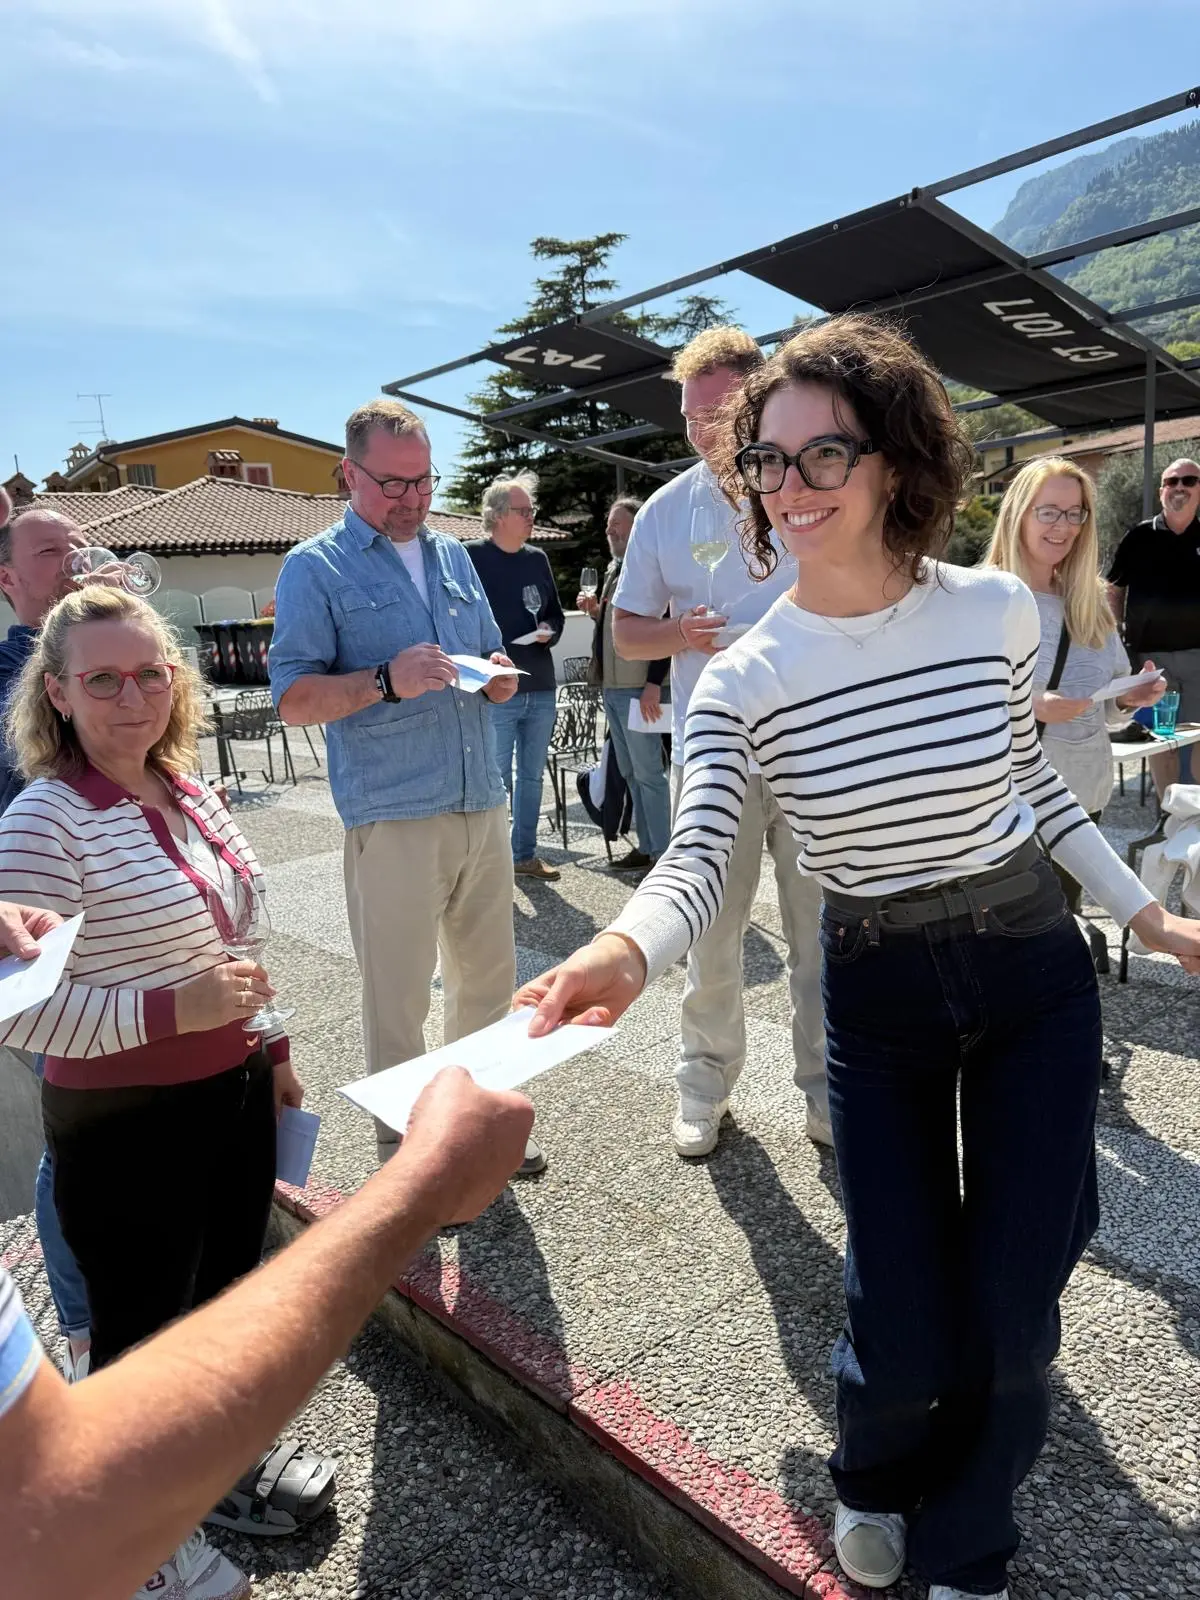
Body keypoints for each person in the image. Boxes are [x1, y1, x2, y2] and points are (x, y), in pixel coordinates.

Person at [516, 316, 1200, 1600]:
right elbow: (700, 851)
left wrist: (1147, 918)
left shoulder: (1000, 611)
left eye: (822, 453)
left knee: (1013, 1294)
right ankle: (876, 1468)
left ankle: (970, 1538)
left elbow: (1032, 791)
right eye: (768, 463)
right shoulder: (746, 676)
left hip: (1029, 968)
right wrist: (621, 949)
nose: (791, 486)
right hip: (878, 986)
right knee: (896, 1299)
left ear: (895, 459)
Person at [0, 585, 340, 1598]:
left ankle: (212, 1467)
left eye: (150, 672)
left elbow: (231, 941)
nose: (131, 696)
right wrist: (168, 1013)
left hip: (228, 1093)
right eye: (102, 678)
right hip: (123, 1123)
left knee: (221, 1304)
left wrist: (268, 1043)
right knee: (143, 1331)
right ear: (57, 692)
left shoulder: (186, 787)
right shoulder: (43, 821)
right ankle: (133, 1539)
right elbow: (19, 1016)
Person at [0, 994, 534, 1600]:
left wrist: (270, 1044)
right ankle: (117, 1431)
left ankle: (182, 1452)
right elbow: (33, 1509)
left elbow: (232, 928)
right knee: (129, 1313)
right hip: (113, 1087)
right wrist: (428, 1179)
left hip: (230, 1067)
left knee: (217, 1274)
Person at [269, 399, 546, 1176]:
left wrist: (497, 679)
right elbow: (292, 699)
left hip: (479, 796)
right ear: (348, 474)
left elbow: (491, 653)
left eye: (423, 482)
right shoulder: (314, 567)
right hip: (392, 810)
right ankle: (409, 1158)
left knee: (489, 983)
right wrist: (385, 681)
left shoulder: (455, 556)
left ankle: (481, 1130)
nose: (412, 499)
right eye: (393, 484)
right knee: (397, 998)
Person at [611, 326, 828, 1157]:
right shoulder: (668, 509)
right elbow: (628, 636)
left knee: (818, 938)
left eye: (719, 410)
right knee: (713, 930)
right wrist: (678, 634)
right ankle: (704, 1085)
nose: (703, 429)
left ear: (758, 400)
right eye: (690, 414)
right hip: (718, 748)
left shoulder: (801, 485)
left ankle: (824, 1091)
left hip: (812, 743)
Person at [0, 501, 93, 1382]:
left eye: (77, 546)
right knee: (71, 1131)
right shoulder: (1, 676)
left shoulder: (116, 656)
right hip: (37, 946)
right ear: (8, 579)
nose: (73, 562)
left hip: (124, 930)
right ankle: (85, 1329)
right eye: (50, 553)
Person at [986, 458, 1164, 915]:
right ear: (1018, 513)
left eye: (1074, 513)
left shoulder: (1091, 602)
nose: (1063, 526)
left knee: (1057, 929)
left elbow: (1106, 704)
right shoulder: (980, 597)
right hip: (1004, 806)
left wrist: (1127, 697)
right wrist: (1028, 704)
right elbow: (946, 701)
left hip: (1082, 800)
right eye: (1048, 511)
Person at [466, 471, 565, 881]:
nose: (532, 518)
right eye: (525, 511)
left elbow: (555, 615)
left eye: (532, 510)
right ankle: (489, 865)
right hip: (497, 691)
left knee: (530, 778)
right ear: (499, 515)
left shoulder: (537, 559)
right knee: (494, 780)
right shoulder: (470, 557)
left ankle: (522, 855)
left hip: (540, 684)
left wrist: (549, 632)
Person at [577, 496, 671, 874]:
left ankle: (664, 854)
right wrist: (599, 615)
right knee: (631, 772)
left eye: (618, 524)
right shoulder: (618, 570)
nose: (610, 530)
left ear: (639, 527)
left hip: (640, 690)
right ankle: (647, 847)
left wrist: (653, 684)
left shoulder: (650, 570)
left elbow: (664, 630)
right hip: (614, 689)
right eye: (608, 525)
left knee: (650, 773)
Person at [1107, 456, 1200, 795]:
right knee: (1165, 740)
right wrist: (1114, 639)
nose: (1179, 487)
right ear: (1161, 490)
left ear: (1199, 490)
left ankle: (1195, 817)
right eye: (1172, 481)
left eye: (1188, 481)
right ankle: (1168, 812)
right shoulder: (1139, 538)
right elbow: (1114, 589)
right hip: (1150, 659)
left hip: (1198, 658)